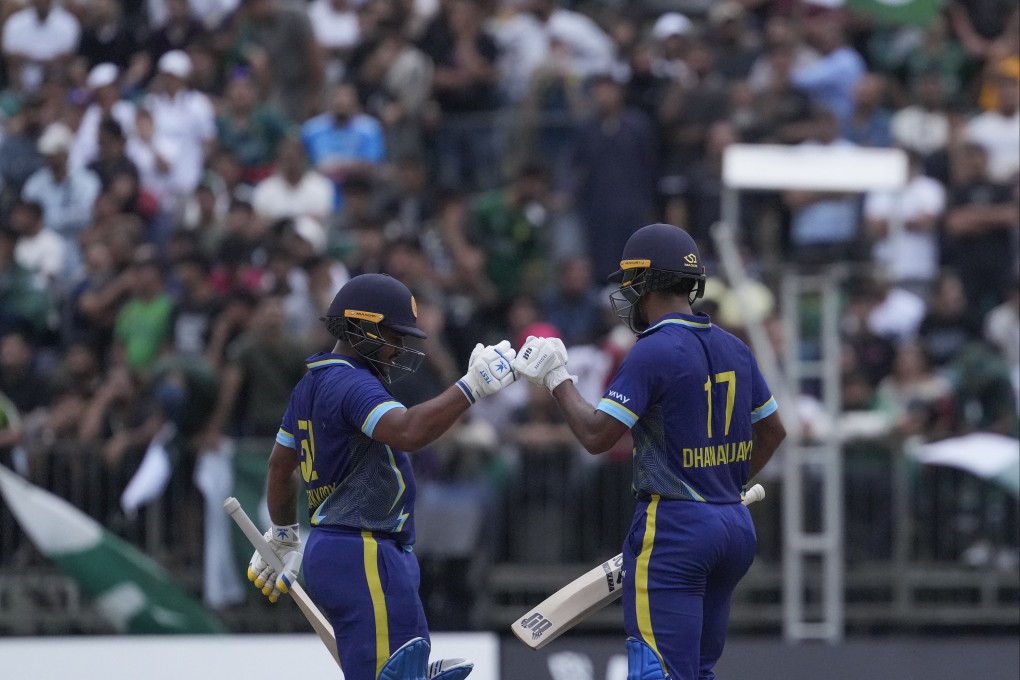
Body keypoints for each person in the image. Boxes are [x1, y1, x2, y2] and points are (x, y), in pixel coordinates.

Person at [513, 223, 787, 680]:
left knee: (657, 672)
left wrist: (557, 379)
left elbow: (598, 436)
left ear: (646, 284)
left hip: (676, 529)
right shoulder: (735, 347)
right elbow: (774, 431)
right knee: (697, 672)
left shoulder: (653, 349)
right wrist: (725, 486)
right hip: (734, 527)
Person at [245, 272, 517, 680]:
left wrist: (284, 534)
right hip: (366, 553)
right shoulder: (351, 382)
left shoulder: (312, 382)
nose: (398, 350)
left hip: (340, 551)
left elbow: (280, 466)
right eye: (393, 336)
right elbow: (407, 432)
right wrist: (471, 387)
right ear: (361, 328)